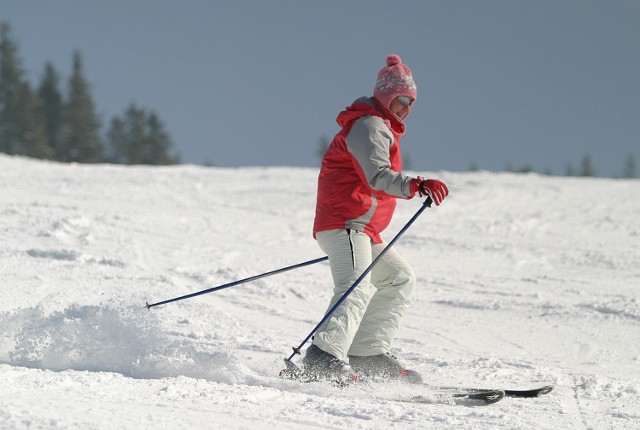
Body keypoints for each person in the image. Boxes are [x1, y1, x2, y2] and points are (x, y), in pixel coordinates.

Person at [303, 54, 449, 383]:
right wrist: (416, 185)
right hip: (345, 222)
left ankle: (366, 352)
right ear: (385, 96)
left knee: (399, 278)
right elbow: (377, 176)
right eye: (401, 100)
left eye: (411, 102)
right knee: (354, 285)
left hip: (362, 228)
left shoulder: (380, 127)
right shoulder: (368, 125)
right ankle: (323, 356)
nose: (406, 108)